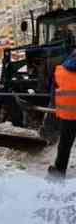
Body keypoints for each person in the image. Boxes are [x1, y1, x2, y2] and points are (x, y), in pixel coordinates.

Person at [48, 51, 76, 179]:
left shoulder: (59, 71)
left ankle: (59, 173)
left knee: (64, 145)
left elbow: (53, 96)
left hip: (67, 116)